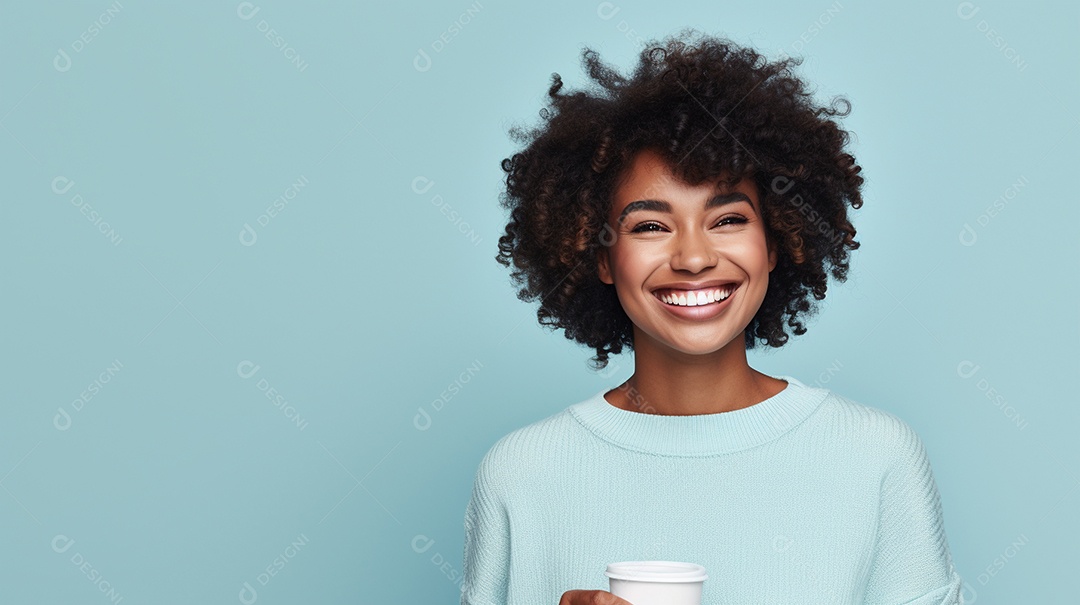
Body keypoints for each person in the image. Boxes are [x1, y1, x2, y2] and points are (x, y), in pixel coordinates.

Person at [462, 28, 964, 604]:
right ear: (601, 256)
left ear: (776, 243)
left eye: (728, 219)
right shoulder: (521, 475)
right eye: (650, 225)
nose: (695, 258)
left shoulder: (877, 458)